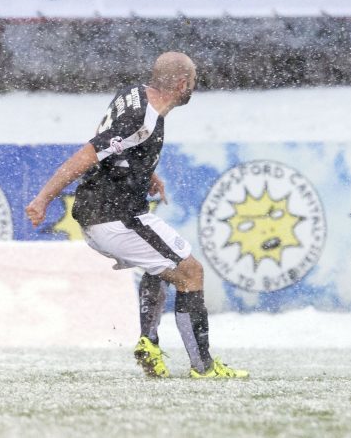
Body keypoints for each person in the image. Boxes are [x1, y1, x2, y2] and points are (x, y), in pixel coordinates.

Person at [25, 51, 248, 379]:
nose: (194, 88)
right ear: (183, 84)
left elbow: (117, 146)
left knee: (161, 267)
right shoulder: (142, 119)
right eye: (194, 81)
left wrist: (144, 174)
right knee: (191, 273)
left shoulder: (133, 93)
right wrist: (43, 198)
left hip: (107, 212)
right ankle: (204, 367)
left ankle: (150, 343)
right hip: (114, 216)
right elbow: (88, 153)